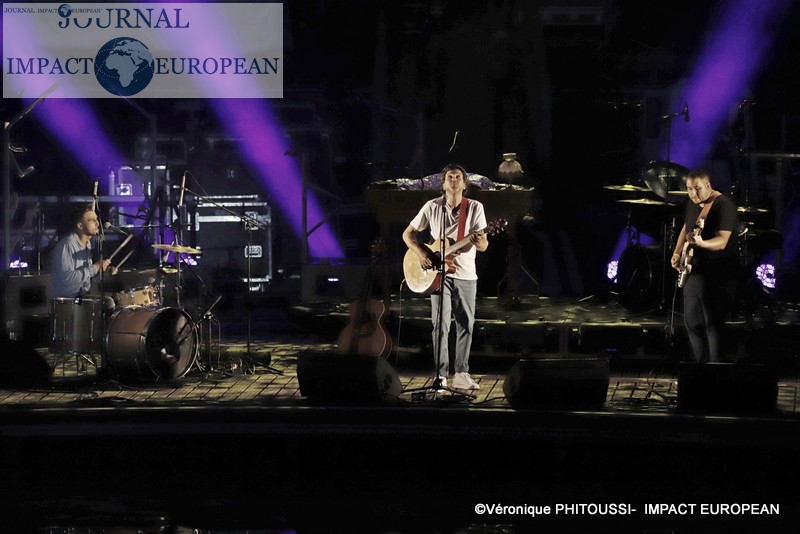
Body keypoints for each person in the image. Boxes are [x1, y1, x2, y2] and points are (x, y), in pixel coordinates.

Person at [402, 164, 489, 390]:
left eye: (458, 177)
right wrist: (421, 252)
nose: (453, 180)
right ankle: (440, 376)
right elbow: (408, 234)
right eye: (449, 177)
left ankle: (461, 373)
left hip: (466, 274)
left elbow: (484, 245)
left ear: (464, 183)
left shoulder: (475, 207)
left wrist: (481, 242)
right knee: (440, 325)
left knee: (465, 325)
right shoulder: (432, 207)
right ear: (443, 184)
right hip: (438, 275)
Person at [670, 168, 738, 363]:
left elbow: (723, 240)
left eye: (698, 188)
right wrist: (677, 252)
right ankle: (699, 370)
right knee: (692, 323)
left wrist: (703, 244)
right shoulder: (693, 204)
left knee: (713, 325)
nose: (693, 194)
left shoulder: (723, 204)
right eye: (689, 189)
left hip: (715, 275)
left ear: (708, 185)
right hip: (693, 272)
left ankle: (716, 370)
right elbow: (686, 227)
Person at [51, 203, 118, 299]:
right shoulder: (67, 244)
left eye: (96, 219)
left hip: (82, 297)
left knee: (114, 299)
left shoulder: (88, 244)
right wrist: (96, 266)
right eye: (92, 220)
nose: (97, 223)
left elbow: (86, 278)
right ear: (80, 226)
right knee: (108, 302)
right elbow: (67, 279)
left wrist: (103, 273)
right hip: (68, 300)